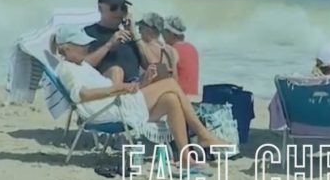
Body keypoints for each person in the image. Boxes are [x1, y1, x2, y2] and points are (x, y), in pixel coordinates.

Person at [53, 25, 226, 164]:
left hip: (118, 103)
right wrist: (118, 88)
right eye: (81, 44)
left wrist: (139, 85)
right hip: (109, 110)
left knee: (171, 100)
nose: (87, 47)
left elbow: (104, 90)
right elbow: (81, 95)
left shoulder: (81, 65)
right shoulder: (66, 68)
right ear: (66, 48)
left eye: (86, 43)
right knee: (170, 84)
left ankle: (185, 156)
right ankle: (203, 134)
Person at [84, 0, 143, 84]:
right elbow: (81, 66)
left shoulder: (130, 37)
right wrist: (109, 45)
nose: (119, 12)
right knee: (116, 72)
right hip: (109, 92)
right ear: (100, 8)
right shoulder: (88, 33)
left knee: (168, 83)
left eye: (123, 7)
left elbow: (150, 64)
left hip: (135, 92)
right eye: (114, 7)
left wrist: (135, 35)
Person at [162, 15, 199, 96]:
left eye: (163, 31)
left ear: (171, 33)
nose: (162, 35)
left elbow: (164, 79)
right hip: (194, 98)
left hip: (180, 99)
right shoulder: (192, 48)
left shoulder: (170, 50)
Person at [135, 12, 178, 80]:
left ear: (150, 30)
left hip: (156, 89)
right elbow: (174, 77)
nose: (139, 32)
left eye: (140, 28)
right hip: (171, 88)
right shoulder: (172, 51)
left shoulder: (145, 47)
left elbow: (137, 40)